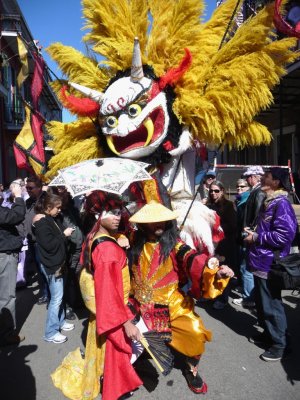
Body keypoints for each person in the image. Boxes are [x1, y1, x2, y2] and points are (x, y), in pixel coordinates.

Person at [128, 201, 234, 394]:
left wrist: (215, 272)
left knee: (196, 334)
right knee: (123, 339)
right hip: (139, 304)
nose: (159, 224)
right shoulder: (133, 240)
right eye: (153, 221)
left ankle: (191, 369)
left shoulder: (175, 244)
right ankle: (138, 361)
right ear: (143, 224)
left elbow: (193, 259)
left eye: (163, 220)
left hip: (172, 304)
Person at [52, 191, 142, 400]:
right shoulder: (108, 251)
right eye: (111, 212)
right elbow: (109, 291)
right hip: (112, 312)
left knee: (103, 356)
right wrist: (126, 321)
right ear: (98, 215)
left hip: (103, 312)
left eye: (119, 212)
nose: (118, 216)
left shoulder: (95, 237)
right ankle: (112, 391)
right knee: (114, 355)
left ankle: (108, 384)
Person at [244, 167, 297, 362]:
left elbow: (285, 235)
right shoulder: (269, 201)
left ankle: (280, 344)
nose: (262, 177)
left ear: (276, 182)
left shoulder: (281, 203)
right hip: (259, 260)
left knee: (272, 306)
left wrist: (256, 236)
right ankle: (269, 334)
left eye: (266, 176)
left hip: (270, 263)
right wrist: (253, 231)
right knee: (262, 304)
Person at [33, 193, 75, 344]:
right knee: (56, 299)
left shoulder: (50, 218)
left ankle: (60, 322)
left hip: (59, 264)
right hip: (52, 265)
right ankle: (50, 332)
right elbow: (49, 245)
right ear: (48, 207)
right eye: (57, 208)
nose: (59, 210)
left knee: (59, 296)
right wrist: (64, 235)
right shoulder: (42, 223)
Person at [234, 165, 265, 308]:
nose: (247, 179)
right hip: (249, 233)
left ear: (253, 177)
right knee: (246, 266)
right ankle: (250, 296)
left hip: (251, 234)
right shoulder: (256, 191)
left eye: (248, 177)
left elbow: (258, 214)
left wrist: (251, 230)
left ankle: (249, 298)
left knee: (247, 268)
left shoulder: (258, 192)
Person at [0, 182, 26, 346]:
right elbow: (15, 216)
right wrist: (18, 197)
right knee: (6, 296)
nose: (2, 189)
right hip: (4, 255)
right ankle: (8, 334)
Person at [206, 180, 237, 309]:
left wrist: (216, 227)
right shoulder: (208, 205)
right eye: (211, 191)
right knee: (210, 269)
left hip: (224, 245)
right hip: (210, 244)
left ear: (222, 191)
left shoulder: (229, 205)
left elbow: (233, 226)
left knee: (223, 271)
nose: (213, 193)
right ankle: (211, 294)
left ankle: (223, 298)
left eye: (216, 191)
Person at [24, 175, 49, 304]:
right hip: (31, 241)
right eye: (26, 187)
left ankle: (48, 294)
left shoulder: (45, 201)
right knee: (39, 270)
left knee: (44, 270)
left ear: (39, 187)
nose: (28, 190)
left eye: (31, 188)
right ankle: (45, 292)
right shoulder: (28, 201)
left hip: (42, 242)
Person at [232, 178, 251, 306]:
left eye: (242, 187)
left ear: (248, 187)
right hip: (240, 237)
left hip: (246, 238)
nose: (239, 189)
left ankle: (248, 299)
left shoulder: (248, 200)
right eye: (238, 187)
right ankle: (244, 287)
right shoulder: (239, 200)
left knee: (246, 269)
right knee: (242, 266)